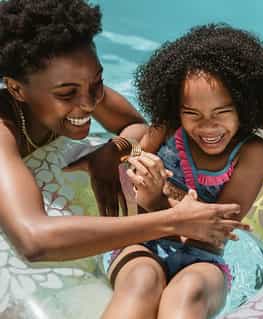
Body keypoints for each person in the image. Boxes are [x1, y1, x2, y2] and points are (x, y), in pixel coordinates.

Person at [0, 0, 247, 278]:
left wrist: (111, 152)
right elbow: (33, 240)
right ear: (16, 89)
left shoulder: (81, 90)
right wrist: (174, 221)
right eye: (67, 94)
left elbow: (134, 125)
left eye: (97, 83)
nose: (90, 104)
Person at [100, 24, 263, 319]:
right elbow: (131, 187)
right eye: (192, 114)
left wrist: (158, 201)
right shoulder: (165, 128)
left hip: (204, 258)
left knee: (188, 291)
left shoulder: (252, 152)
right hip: (143, 239)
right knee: (142, 282)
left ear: (244, 105)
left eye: (221, 113)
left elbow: (217, 228)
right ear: (177, 108)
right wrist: (146, 193)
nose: (208, 127)